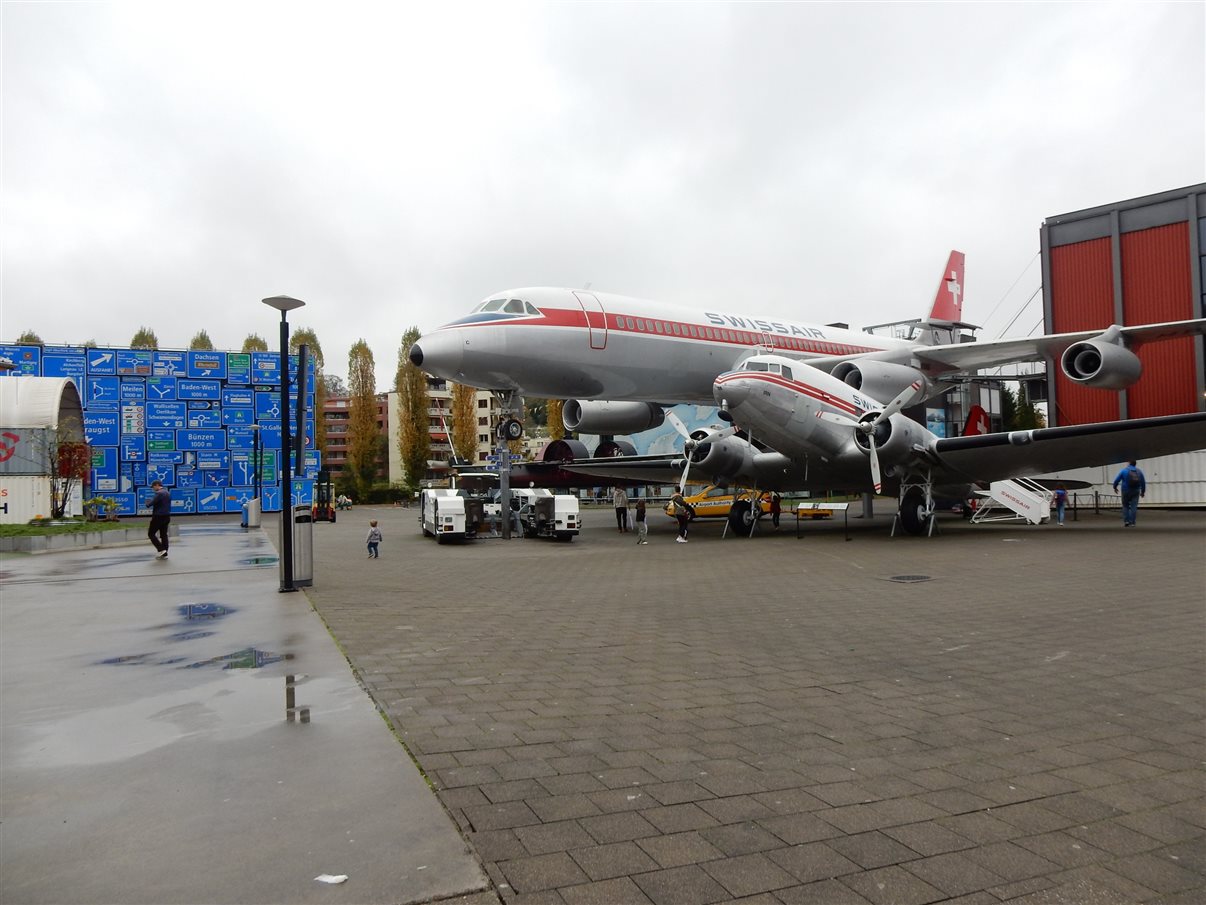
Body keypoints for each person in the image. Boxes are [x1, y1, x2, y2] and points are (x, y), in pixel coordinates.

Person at [1112, 460, 1146, 527]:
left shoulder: (1124, 471)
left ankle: (1126, 521)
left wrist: (1115, 487)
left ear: (1129, 463)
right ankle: (1132, 522)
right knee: (1133, 507)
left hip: (1125, 490)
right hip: (1136, 491)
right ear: (1135, 464)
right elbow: (1143, 483)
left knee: (1125, 506)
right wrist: (1142, 492)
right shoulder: (1139, 471)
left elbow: (1116, 480)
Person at [146, 480, 171, 559]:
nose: (153, 489)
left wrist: (147, 502)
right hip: (167, 516)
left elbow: (151, 503)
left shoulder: (159, 493)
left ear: (157, 485)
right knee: (164, 534)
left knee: (151, 534)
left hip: (158, 516)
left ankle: (161, 549)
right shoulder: (167, 492)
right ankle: (165, 552)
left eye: (153, 487)